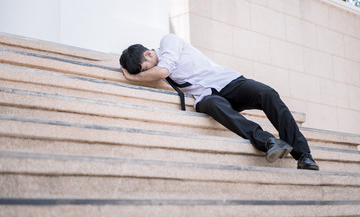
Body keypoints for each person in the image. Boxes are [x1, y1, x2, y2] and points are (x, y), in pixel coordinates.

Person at [119, 34, 319, 170]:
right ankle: (269, 141)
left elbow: (163, 71)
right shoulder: (153, 63)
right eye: (143, 73)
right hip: (205, 96)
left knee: (267, 93)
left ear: (149, 53)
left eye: (144, 69)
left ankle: (303, 155)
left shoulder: (168, 42)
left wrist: (133, 78)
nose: (147, 75)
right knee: (214, 105)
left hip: (226, 81)